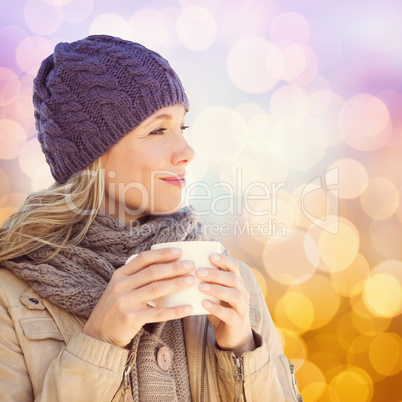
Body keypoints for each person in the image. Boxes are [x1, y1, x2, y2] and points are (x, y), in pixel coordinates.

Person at [0, 35, 302, 401]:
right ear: (92, 155)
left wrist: (241, 352)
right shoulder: (11, 298)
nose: (186, 151)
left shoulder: (234, 283)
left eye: (182, 128)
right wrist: (100, 341)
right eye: (158, 130)